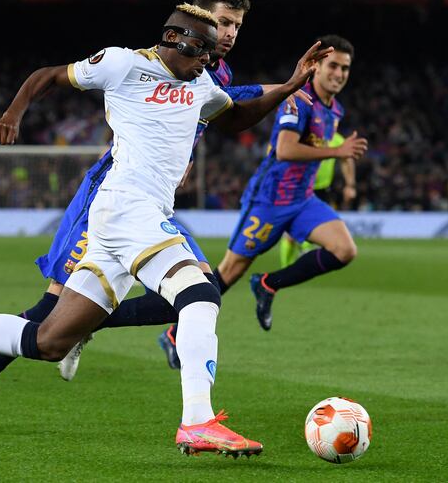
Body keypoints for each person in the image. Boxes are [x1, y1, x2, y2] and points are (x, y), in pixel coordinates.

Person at [0, 2, 329, 456]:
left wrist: (289, 84)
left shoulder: (201, 80)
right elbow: (46, 76)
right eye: (204, 49)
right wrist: (14, 113)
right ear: (174, 39)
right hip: (127, 207)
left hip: (127, 220)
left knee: (48, 341)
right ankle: (197, 422)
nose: (210, 61)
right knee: (201, 293)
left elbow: (237, 117)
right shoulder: (123, 63)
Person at [156, 36, 366, 375]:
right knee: (228, 272)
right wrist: (337, 152)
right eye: (333, 66)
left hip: (302, 200)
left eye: (345, 68)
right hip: (268, 201)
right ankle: (173, 333)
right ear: (316, 66)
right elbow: (285, 149)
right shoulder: (297, 100)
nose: (339, 74)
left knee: (344, 249)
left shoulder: (334, 109)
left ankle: (268, 284)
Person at [278, 130, 356, 268]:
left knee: (316, 226)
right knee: (289, 233)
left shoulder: (337, 139)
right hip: (299, 189)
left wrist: (350, 184)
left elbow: (347, 159)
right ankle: (287, 267)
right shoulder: (305, 136)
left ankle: (300, 255)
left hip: (322, 190)